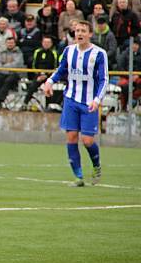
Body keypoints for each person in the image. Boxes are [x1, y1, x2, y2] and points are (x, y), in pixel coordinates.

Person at [43, 20, 108, 187]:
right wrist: (49, 81)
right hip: (71, 99)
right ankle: (78, 177)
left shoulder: (99, 54)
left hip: (89, 102)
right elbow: (61, 70)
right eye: (77, 30)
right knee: (71, 137)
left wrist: (97, 99)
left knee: (87, 140)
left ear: (90, 34)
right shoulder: (69, 51)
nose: (79, 33)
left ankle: (96, 165)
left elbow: (103, 79)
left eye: (83, 31)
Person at [23, 36, 59, 110]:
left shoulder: (54, 53)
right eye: (45, 42)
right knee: (32, 86)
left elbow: (56, 66)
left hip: (50, 75)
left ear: (51, 44)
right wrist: (40, 74)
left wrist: (46, 75)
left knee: (48, 87)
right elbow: (34, 65)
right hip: (38, 75)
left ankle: (48, 107)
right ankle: (25, 103)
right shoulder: (37, 52)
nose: (46, 44)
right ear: (42, 43)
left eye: (48, 42)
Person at [0, 36, 25, 109]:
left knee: (8, 80)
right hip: (3, 73)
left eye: (12, 43)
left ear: (15, 44)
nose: (10, 44)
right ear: (6, 44)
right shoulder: (2, 53)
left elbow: (16, 64)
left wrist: (4, 66)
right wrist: (6, 67)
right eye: (8, 43)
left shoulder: (19, 53)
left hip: (15, 74)